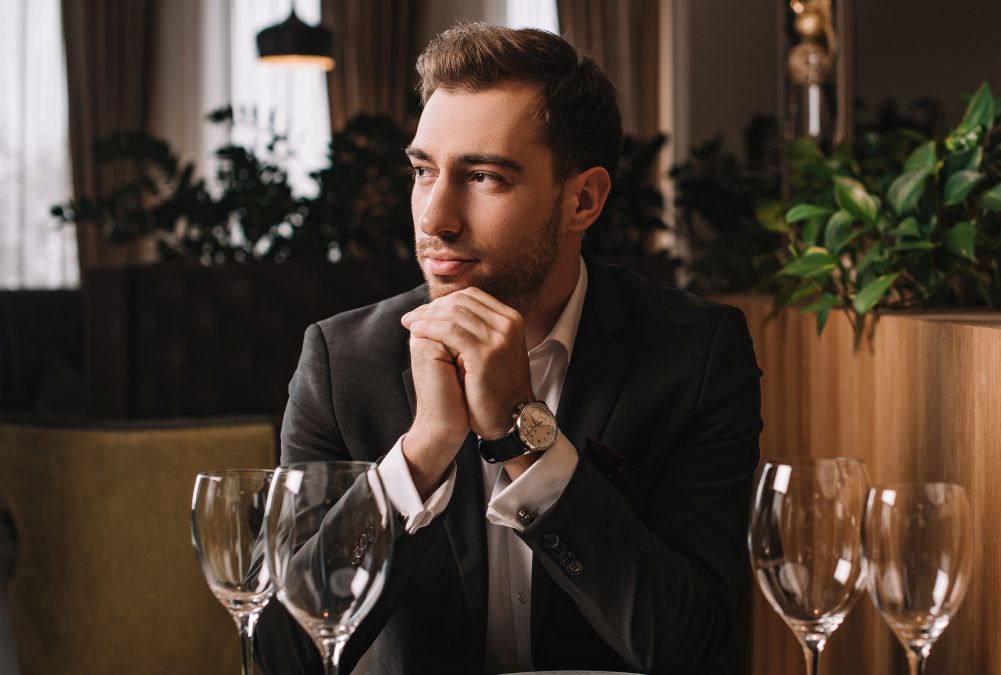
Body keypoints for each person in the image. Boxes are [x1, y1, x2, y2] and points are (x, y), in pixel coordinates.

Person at [255, 22, 762, 675]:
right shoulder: (339, 362)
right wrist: (421, 453)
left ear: (583, 198)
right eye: (422, 171)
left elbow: (691, 645)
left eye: (485, 177)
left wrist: (525, 439)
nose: (435, 217)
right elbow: (283, 658)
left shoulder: (693, 355)